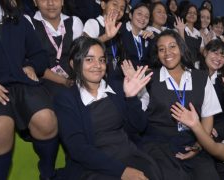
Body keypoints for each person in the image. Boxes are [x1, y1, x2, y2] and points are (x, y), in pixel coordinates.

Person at [54, 36, 162, 180]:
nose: (98, 65)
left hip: (129, 154)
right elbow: (78, 149)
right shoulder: (66, 98)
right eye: (89, 59)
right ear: (74, 64)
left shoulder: (117, 87)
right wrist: (122, 171)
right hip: (93, 165)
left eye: (102, 60)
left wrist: (131, 98)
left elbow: (138, 127)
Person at [140, 30, 221, 180]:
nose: (167, 53)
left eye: (172, 46)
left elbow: (208, 117)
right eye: (161, 49)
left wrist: (198, 145)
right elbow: (138, 118)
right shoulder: (149, 78)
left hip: (192, 141)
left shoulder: (201, 78)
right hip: (158, 144)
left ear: (181, 49)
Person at [0, 0, 58, 179]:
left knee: (46, 119)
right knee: (0, 127)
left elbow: (40, 56)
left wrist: (30, 65)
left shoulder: (17, 18)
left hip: (22, 83)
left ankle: (47, 173)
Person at [27, 0, 84, 96]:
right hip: (42, 84)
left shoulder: (74, 22)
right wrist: (64, 81)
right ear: (35, 2)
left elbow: (82, 57)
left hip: (74, 82)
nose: (50, 3)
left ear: (62, 1)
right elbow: (32, 62)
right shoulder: (29, 23)